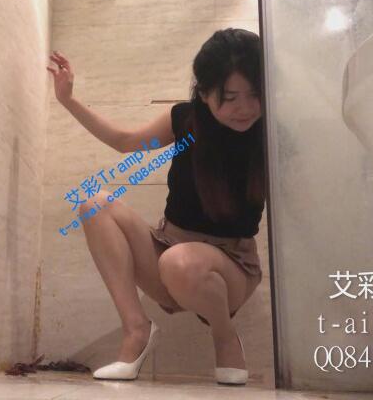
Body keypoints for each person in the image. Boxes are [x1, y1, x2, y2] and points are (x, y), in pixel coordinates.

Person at [46, 28, 265, 386]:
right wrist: (68, 100)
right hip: (169, 252)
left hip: (232, 268)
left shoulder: (270, 132)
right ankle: (136, 329)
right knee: (94, 204)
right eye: (230, 97)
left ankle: (224, 336)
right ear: (205, 93)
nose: (245, 108)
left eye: (255, 94)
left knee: (179, 262)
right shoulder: (186, 120)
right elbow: (124, 141)